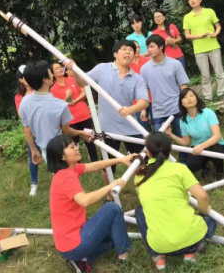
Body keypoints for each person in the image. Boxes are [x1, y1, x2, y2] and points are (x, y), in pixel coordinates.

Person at [68, 40, 149, 201]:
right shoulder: (102, 69)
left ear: (134, 55)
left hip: (130, 129)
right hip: (107, 129)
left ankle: (147, 193)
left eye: (131, 51)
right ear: (115, 54)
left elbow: (144, 101)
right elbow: (82, 82)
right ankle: (109, 198)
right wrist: (75, 70)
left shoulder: (137, 78)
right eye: (124, 49)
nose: (127, 53)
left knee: (142, 162)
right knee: (108, 166)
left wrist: (131, 109)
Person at [47, 135, 133, 273]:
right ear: (62, 157)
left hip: (69, 244)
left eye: (75, 145)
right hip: (73, 244)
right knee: (112, 208)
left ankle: (82, 258)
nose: (77, 148)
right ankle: (123, 257)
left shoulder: (69, 169)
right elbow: (84, 200)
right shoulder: (65, 177)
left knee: (115, 235)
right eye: (72, 147)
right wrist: (111, 185)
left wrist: (121, 159)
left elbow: (94, 165)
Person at [134, 132, 217, 271]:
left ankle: (157, 257)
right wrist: (203, 212)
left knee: (140, 210)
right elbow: (202, 197)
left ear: (147, 152)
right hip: (192, 241)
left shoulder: (139, 176)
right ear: (170, 150)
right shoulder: (179, 168)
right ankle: (191, 252)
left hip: (160, 246)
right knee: (210, 220)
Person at [19, 60, 92, 166]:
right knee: (69, 179)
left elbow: (27, 130)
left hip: (45, 151)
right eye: (50, 72)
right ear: (45, 79)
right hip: (62, 151)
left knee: (58, 178)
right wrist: (81, 133)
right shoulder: (60, 105)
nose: (52, 75)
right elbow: (67, 131)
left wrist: (34, 150)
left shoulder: (24, 102)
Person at [140, 35, 189, 161]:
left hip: (176, 108)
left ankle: (183, 163)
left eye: (152, 46)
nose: (149, 50)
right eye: (147, 47)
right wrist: (143, 109)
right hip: (158, 111)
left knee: (182, 137)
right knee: (158, 142)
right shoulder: (144, 69)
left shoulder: (175, 64)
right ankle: (164, 165)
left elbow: (183, 86)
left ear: (161, 47)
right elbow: (144, 91)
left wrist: (185, 104)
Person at [166, 88, 224, 179]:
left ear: (196, 98)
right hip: (198, 148)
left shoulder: (208, 113)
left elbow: (217, 136)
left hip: (216, 144)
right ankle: (205, 167)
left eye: (191, 96)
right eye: (185, 97)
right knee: (191, 165)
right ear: (181, 103)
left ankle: (220, 171)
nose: (189, 99)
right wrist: (170, 134)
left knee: (217, 151)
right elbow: (186, 142)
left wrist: (202, 146)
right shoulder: (183, 121)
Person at [50, 62, 99, 162]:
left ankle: (95, 162)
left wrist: (76, 100)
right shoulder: (53, 90)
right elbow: (56, 107)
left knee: (89, 139)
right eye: (56, 68)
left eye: (60, 67)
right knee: (73, 144)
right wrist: (67, 98)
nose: (60, 69)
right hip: (70, 120)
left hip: (84, 115)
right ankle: (77, 164)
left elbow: (84, 92)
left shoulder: (72, 79)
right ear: (52, 74)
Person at [183, 0, 224, 101]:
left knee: (219, 71)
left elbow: (218, 26)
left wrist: (216, 33)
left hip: (213, 46)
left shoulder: (209, 11)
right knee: (205, 75)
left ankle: (222, 93)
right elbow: (187, 35)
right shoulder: (187, 17)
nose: (192, 0)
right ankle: (208, 96)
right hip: (199, 49)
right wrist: (199, 36)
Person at [14, 65, 40, 196]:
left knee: (53, 154)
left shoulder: (40, 90)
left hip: (44, 128)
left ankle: (58, 177)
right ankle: (34, 184)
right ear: (21, 80)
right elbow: (21, 115)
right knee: (33, 157)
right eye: (25, 76)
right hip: (31, 132)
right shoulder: (20, 97)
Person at [129, 41, 151, 131]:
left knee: (160, 127)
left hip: (153, 98)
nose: (137, 49)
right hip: (137, 101)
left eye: (138, 47)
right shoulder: (126, 66)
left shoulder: (148, 61)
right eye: (134, 48)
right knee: (144, 129)